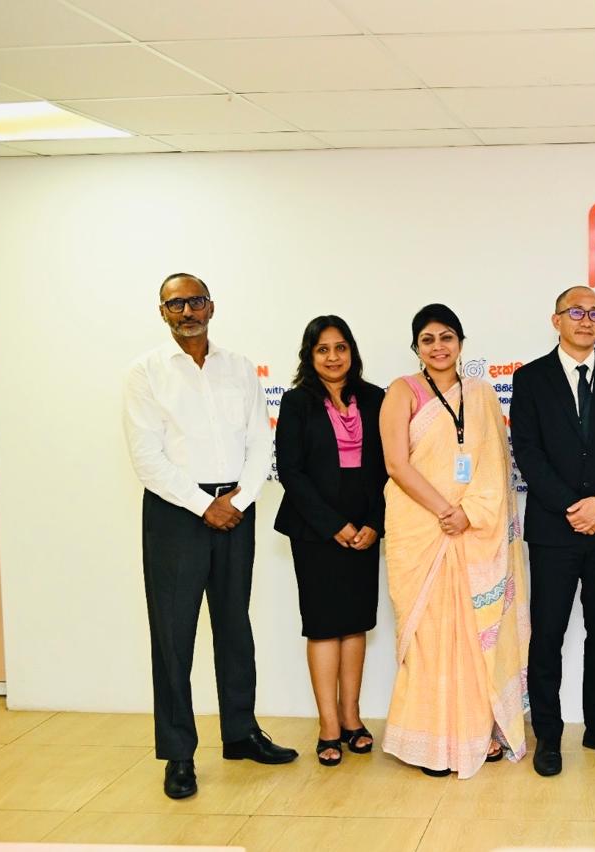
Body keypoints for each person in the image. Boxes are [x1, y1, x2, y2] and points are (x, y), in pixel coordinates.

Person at [123, 272, 297, 801]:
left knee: (234, 625)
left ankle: (241, 734)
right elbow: (147, 457)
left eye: (195, 301)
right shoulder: (146, 372)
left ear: (211, 307)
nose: (187, 311)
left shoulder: (239, 367)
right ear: (162, 312)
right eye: (175, 304)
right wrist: (204, 505)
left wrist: (236, 502)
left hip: (235, 511)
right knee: (173, 636)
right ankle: (179, 754)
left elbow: (260, 443)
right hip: (176, 514)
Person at [378, 303, 529, 778]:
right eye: (427, 339)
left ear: (461, 343)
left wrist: (469, 514)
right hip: (421, 529)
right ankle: (429, 744)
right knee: (429, 639)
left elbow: (496, 466)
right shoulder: (402, 391)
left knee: (473, 637)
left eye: (446, 337)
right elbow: (396, 464)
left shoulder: (481, 395)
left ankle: (476, 732)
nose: (438, 347)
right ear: (416, 347)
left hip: (473, 532)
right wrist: (446, 511)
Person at [510, 286, 595, 777]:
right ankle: (548, 734)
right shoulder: (530, 379)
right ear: (557, 320)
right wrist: (573, 507)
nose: (586, 321)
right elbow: (528, 452)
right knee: (548, 634)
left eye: (594, 313)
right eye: (576, 312)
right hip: (554, 530)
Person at [273, 316, 387, 767]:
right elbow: (291, 471)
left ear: (352, 351)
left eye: (341, 347)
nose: (333, 357)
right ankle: (328, 726)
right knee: (324, 626)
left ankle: (352, 717)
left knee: (355, 624)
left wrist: (374, 523)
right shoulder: (297, 402)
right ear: (310, 355)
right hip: (316, 532)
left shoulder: (375, 398)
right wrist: (333, 525)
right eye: (323, 349)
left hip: (366, 530)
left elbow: (389, 468)